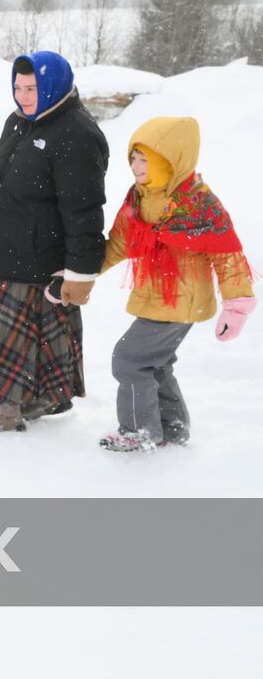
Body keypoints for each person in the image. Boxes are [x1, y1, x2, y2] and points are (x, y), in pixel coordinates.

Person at [0, 51, 109, 431]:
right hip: (8, 248)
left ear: (54, 86)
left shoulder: (77, 135)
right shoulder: (20, 121)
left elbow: (84, 209)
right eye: (18, 88)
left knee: (11, 340)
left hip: (39, 257)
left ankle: (4, 412)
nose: (23, 96)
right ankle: (47, 397)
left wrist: (82, 271)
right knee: (37, 337)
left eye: (32, 88)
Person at [96, 117, 253, 451]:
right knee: (155, 361)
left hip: (182, 299)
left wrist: (237, 306)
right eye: (133, 157)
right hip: (156, 293)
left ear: (171, 160)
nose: (136, 166)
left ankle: (140, 430)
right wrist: (80, 274)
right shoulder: (139, 197)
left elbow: (227, 254)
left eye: (145, 159)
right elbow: (119, 245)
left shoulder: (198, 203)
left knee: (129, 358)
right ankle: (172, 425)